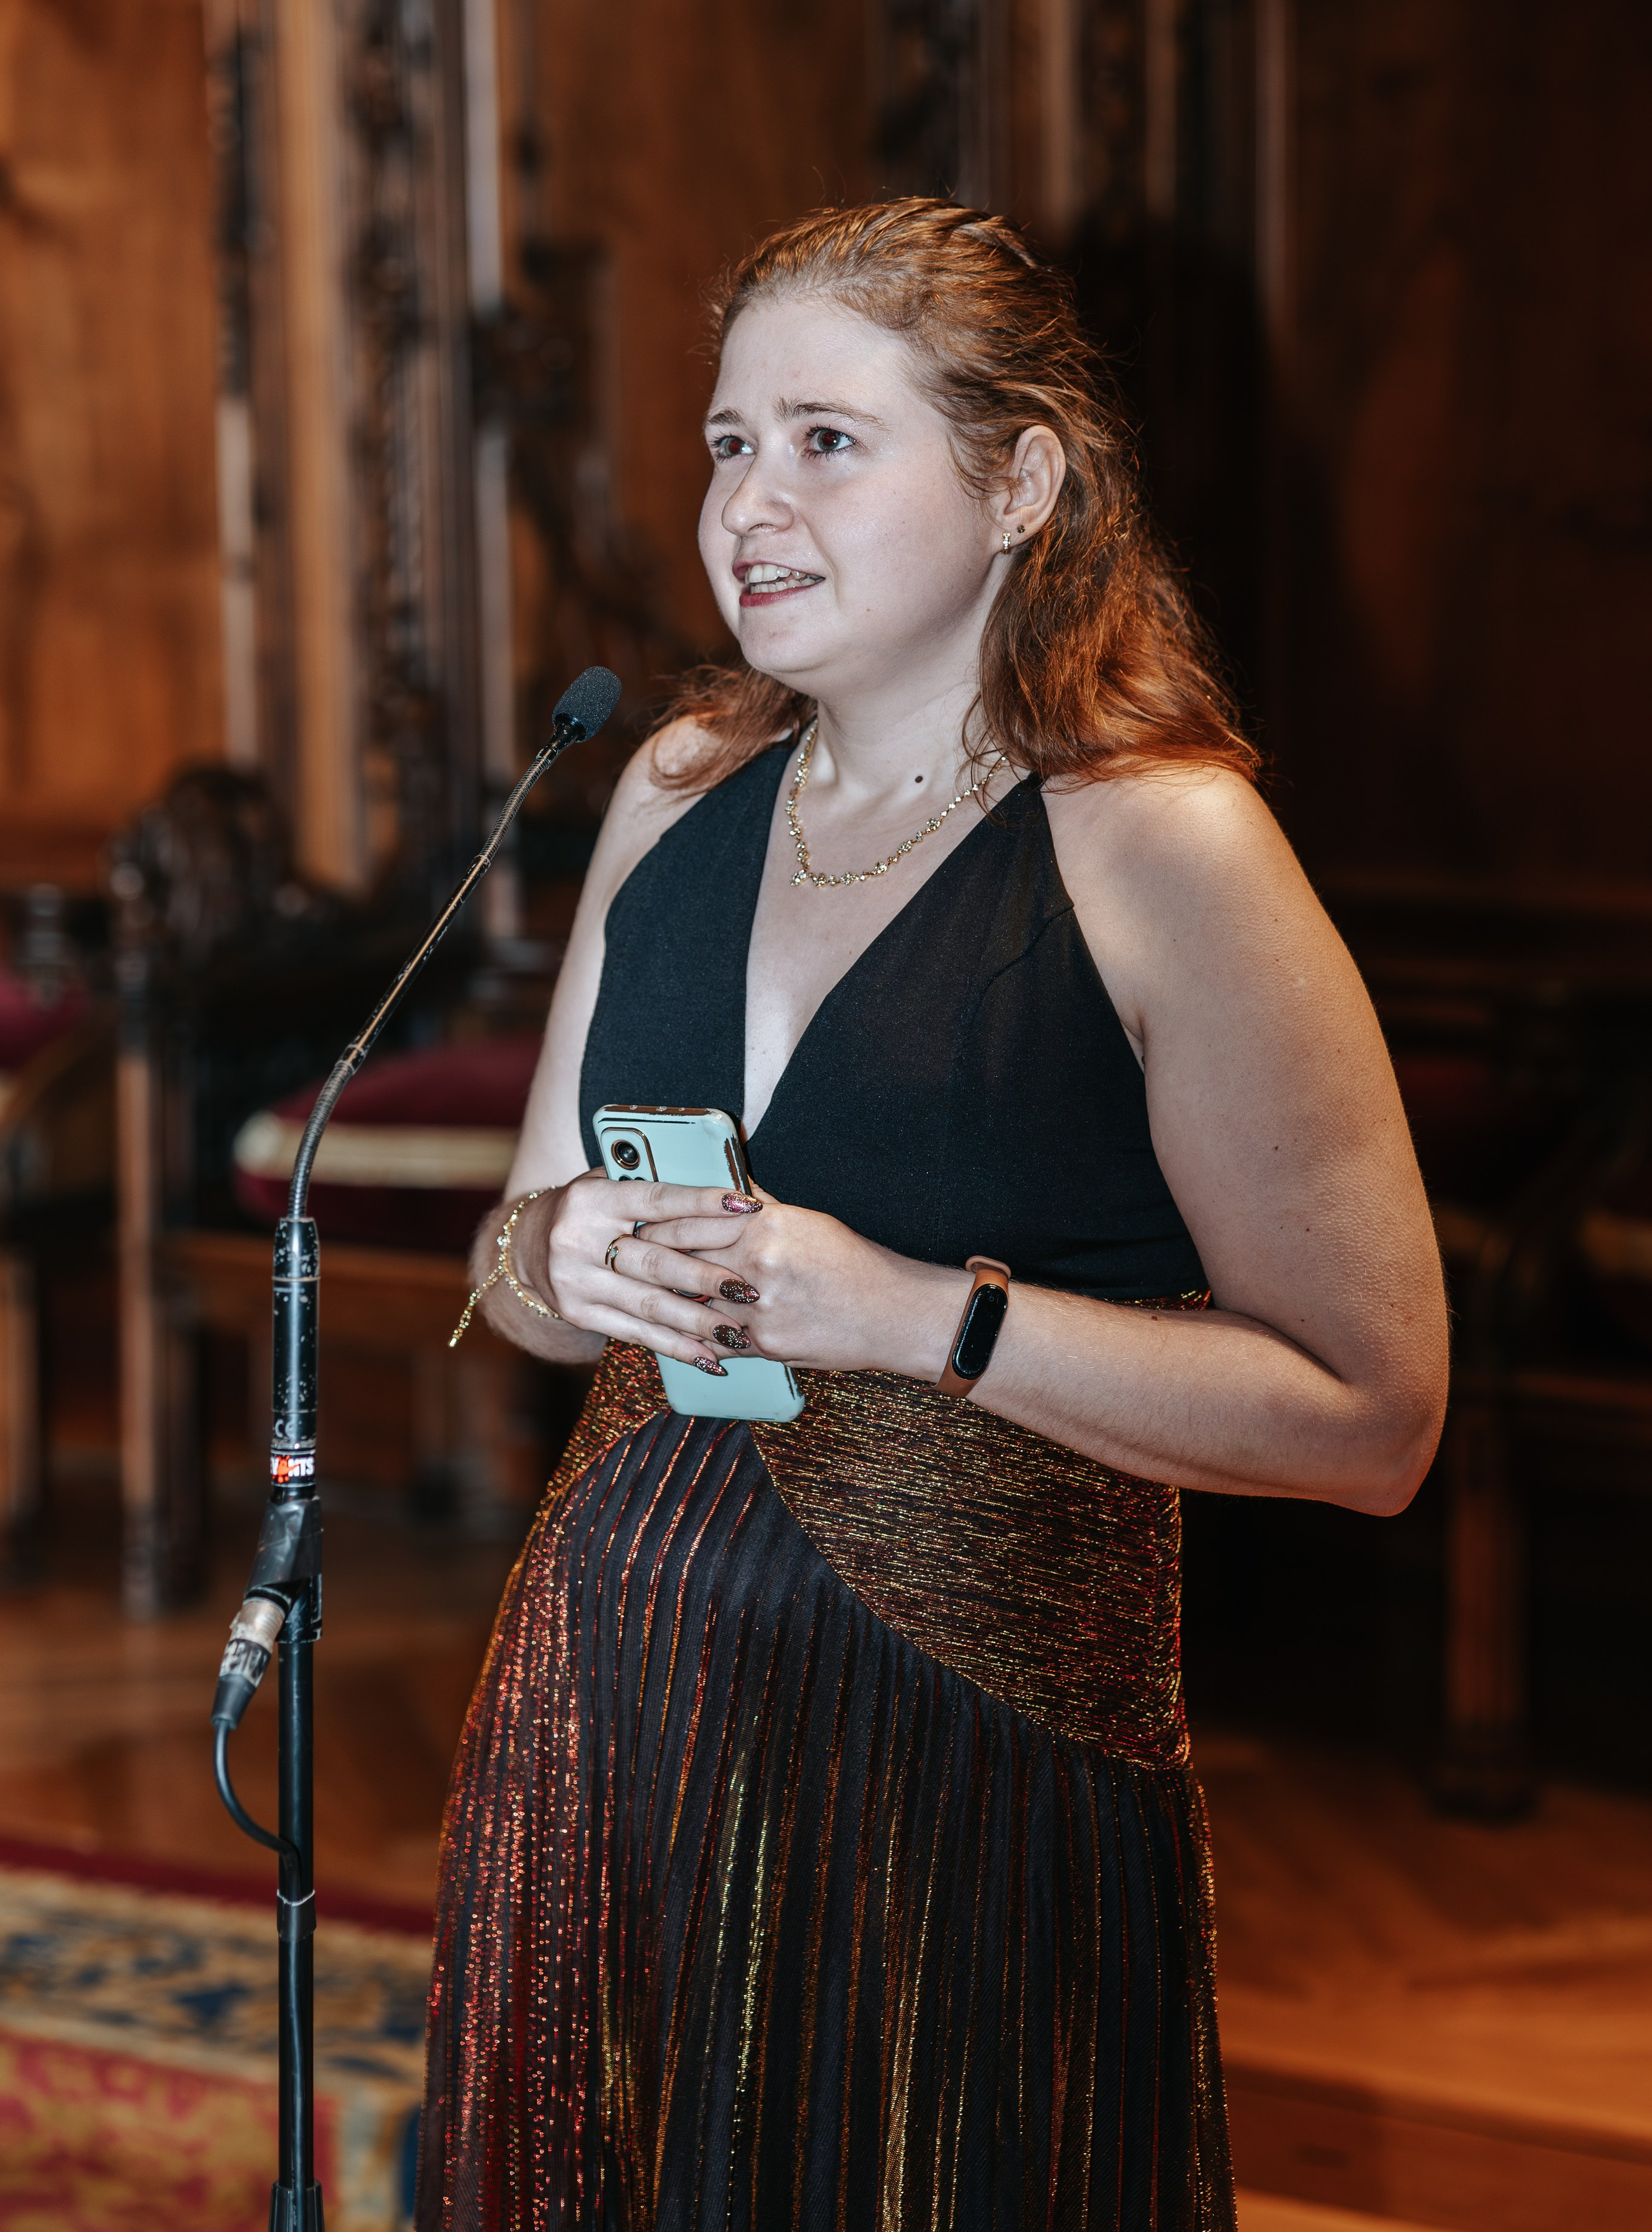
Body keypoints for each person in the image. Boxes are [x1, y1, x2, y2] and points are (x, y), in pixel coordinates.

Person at [416, 199, 1448, 2231]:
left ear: (1019, 481)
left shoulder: (1166, 842)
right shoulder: (676, 787)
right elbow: (524, 1262)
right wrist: (552, 1261)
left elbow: (1374, 1418)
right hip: (609, 1716)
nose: (750, 503)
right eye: (727, 443)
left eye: (826, 438)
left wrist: (916, 1316)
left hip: (963, 1756)